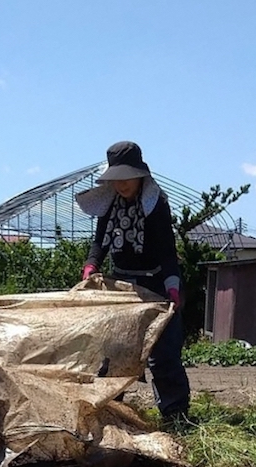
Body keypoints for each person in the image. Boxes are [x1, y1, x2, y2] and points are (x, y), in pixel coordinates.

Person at [75, 141, 190, 421]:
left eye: (127, 177)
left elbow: (166, 249)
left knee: (163, 354)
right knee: (114, 354)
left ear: (140, 175)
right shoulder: (109, 203)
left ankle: (175, 415)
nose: (122, 184)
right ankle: (113, 412)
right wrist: (92, 264)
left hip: (155, 286)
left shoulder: (155, 204)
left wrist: (172, 284)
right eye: (117, 178)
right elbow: (100, 241)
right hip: (121, 288)